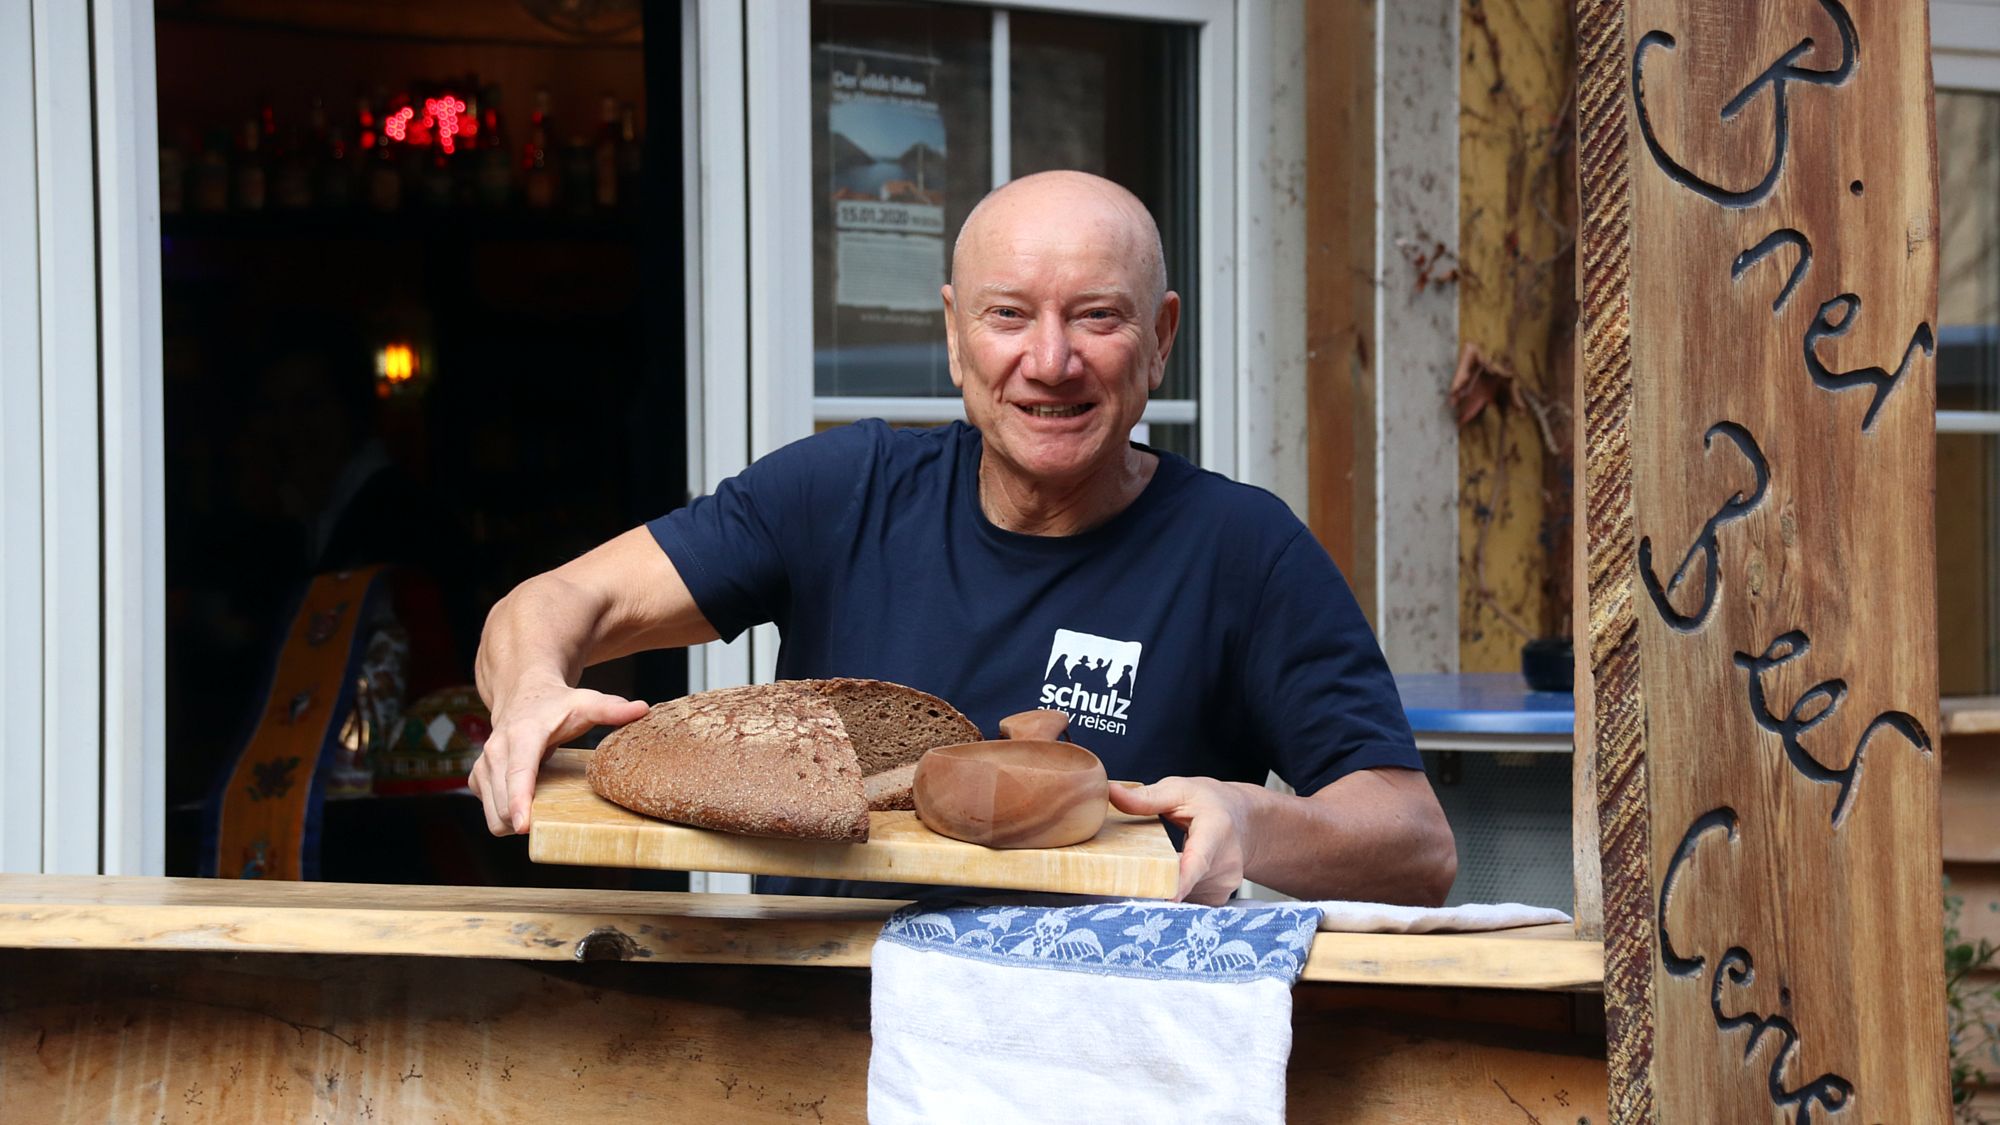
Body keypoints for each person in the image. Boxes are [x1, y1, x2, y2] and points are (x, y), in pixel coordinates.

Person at [470, 171, 1456, 905]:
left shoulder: (1242, 549)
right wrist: (527, 696)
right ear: (953, 335)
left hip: (1101, 1059)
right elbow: (550, 606)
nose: (1050, 360)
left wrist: (1253, 820)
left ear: (1160, 337)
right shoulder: (839, 492)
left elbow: (1414, 846)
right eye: (1007, 316)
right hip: (815, 1041)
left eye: (1096, 317)